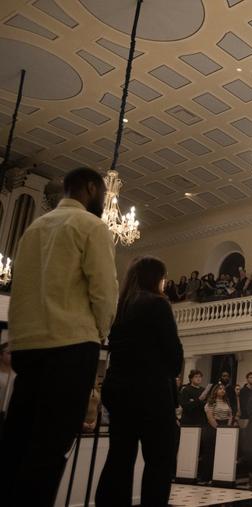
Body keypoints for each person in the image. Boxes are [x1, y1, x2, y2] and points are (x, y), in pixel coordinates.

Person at [0, 167, 118, 507]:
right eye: (103, 194)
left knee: (17, 441)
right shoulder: (91, 226)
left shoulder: (33, 229)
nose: (104, 201)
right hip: (70, 345)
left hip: (30, 345)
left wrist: (19, 340)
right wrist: (100, 331)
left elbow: (19, 289)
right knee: (51, 446)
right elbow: (103, 290)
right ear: (91, 187)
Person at [95, 256, 183, 507]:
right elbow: (174, 356)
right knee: (159, 462)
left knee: (119, 459)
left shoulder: (121, 306)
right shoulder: (157, 303)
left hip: (119, 389)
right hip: (151, 392)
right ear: (157, 278)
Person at [198, 384, 235, 484]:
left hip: (224, 428)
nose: (222, 390)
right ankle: (205, 477)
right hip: (212, 428)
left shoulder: (226, 402)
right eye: (220, 389)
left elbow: (230, 415)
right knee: (210, 454)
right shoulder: (211, 402)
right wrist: (218, 428)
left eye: (223, 389)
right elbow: (210, 417)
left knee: (220, 453)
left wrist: (226, 427)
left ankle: (217, 476)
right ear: (215, 391)